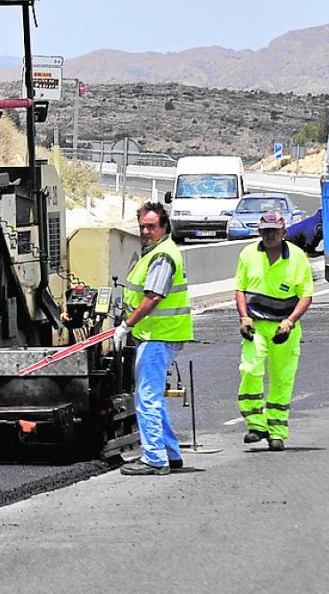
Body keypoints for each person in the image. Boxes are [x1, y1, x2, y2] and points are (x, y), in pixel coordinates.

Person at [116, 202, 195, 476]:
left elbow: (153, 296)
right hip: (156, 335)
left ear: (164, 227)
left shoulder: (162, 256)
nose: (146, 231)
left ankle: (154, 458)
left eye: (151, 226)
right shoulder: (154, 253)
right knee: (155, 398)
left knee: (147, 398)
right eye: (142, 227)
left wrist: (126, 324)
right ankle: (170, 453)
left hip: (158, 336)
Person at [234, 211, 314, 452]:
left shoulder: (297, 258)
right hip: (256, 324)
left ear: (283, 233)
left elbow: (306, 295)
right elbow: (240, 289)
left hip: (284, 328)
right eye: (265, 231)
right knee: (250, 369)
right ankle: (256, 424)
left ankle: (277, 432)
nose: (269, 236)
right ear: (259, 232)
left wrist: (290, 321)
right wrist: (244, 317)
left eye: (274, 232)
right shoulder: (248, 254)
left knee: (282, 378)